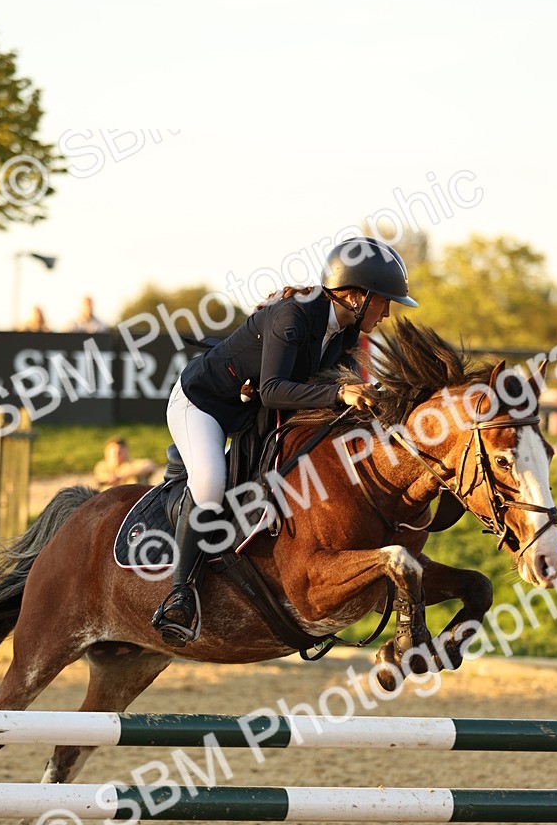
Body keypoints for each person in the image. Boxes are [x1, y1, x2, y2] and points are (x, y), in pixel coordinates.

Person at [151, 236, 418, 646]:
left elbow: (329, 393)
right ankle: (179, 594)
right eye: (385, 301)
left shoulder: (344, 333)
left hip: (249, 411)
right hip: (202, 404)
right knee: (208, 482)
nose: (387, 313)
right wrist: (340, 394)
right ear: (356, 296)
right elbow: (276, 389)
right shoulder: (292, 317)